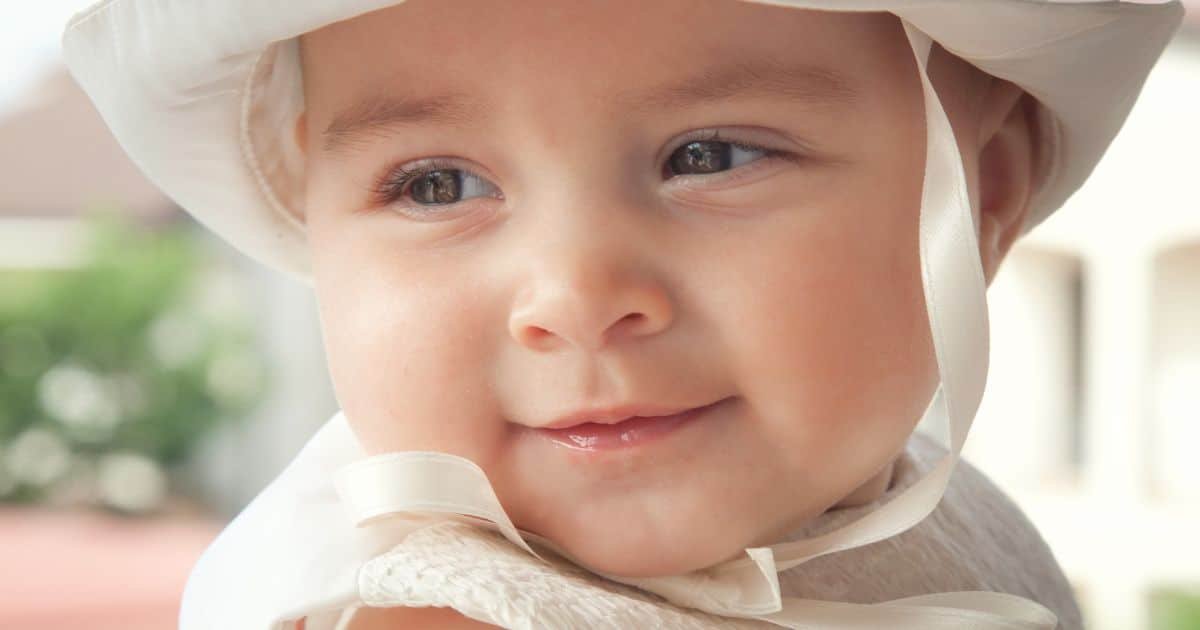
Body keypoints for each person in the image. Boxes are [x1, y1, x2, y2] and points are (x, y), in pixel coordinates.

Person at [61, 1, 1184, 629]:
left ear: (982, 196)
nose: (576, 299)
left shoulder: (947, 526)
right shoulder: (428, 615)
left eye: (709, 156)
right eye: (438, 184)